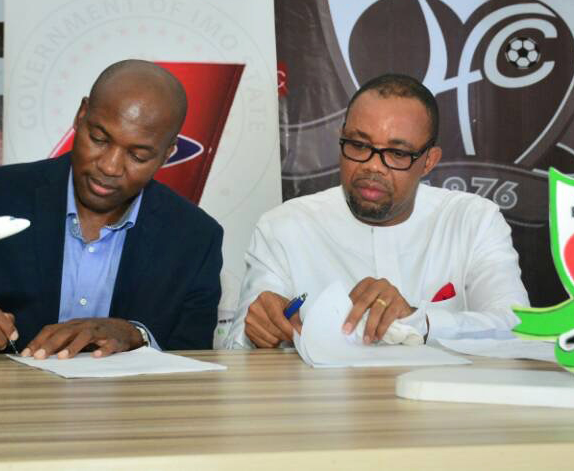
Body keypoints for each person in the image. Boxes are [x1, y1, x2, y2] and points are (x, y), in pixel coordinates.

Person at [0, 60, 223, 359]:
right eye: (99, 138)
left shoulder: (195, 236)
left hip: (131, 432)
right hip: (3, 427)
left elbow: (196, 358)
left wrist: (137, 335)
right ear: (80, 115)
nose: (110, 166)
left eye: (138, 155)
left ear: (169, 152)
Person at [224, 73, 529, 349]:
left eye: (397, 153)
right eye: (358, 145)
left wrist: (420, 322)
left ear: (429, 161)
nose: (372, 165)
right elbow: (237, 346)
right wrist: (256, 330)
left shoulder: (473, 221)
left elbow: (519, 327)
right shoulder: (284, 227)